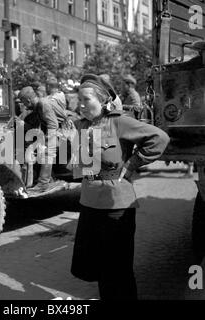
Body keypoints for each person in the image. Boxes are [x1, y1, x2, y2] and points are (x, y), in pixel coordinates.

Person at [70, 74, 170, 300]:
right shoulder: (81, 125)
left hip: (117, 206)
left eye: (86, 99)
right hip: (89, 204)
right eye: (79, 100)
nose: (81, 105)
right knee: (99, 268)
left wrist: (134, 163)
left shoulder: (119, 122)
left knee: (119, 269)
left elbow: (159, 138)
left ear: (103, 101)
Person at [18, 86, 64, 195]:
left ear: (28, 100)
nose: (23, 105)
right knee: (37, 151)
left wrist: (46, 143)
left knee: (47, 154)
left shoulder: (43, 104)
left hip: (60, 132)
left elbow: (53, 124)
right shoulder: (37, 106)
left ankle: (43, 184)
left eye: (24, 102)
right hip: (54, 132)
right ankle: (50, 179)